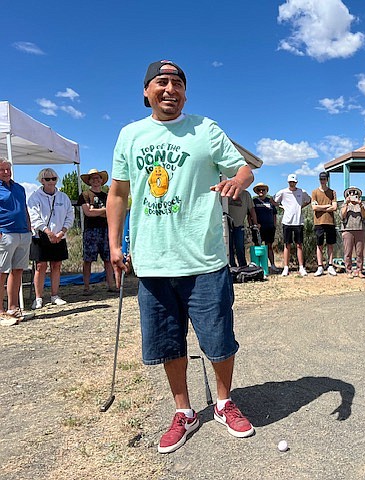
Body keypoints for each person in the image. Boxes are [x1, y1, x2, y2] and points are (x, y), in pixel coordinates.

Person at [107, 59, 255, 455]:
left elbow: (244, 170)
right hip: (153, 262)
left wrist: (237, 182)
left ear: (185, 92)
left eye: (177, 83)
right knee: (169, 343)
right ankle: (184, 411)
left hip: (205, 259)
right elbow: (118, 194)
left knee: (220, 341)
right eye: (161, 82)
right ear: (146, 92)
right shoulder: (130, 135)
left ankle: (223, 403)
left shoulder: (205, 128)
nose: (169, 89)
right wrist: (115, 244)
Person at [28, 168, 75, 309]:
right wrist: (48, 232)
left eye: (54, 178)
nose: (51, 181)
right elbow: (34, 216)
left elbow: (70, 215)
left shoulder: (63, 197)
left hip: (59, 236)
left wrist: (62, 232)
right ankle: (38, 298)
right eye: (47, 179)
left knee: (56, 265)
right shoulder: (35, 197)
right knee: (40, 266)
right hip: (40, 236)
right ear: (41, 180)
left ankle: (55, 295)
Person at [0, 157, 32, 323]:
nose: (6, 172)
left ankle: (13, 307)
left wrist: (29, 228)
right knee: (2, 272)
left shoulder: (19, 188)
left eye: (8, 169)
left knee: (18, 270)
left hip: (23, 233)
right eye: (2, 169)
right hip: (5, 232)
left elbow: (24, 208)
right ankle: (0, 310)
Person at [78, 168, 116, 294]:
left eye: (98, 178)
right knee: (88, 259)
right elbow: (88, 212)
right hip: (90, 230)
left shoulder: (108, 196)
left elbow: (111, 213)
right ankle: (86, 287)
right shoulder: (84, 195)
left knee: (108, 259)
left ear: (102, 180)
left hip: (106, 229)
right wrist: (105, 210)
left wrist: (97, 211)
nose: (96, 180)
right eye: (93, 178)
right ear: (89, 181)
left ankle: (111, 285)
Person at [273, 174, 311, 276]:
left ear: (296, 182)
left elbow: (309, 200)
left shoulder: (301, 192)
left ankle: (301, 267)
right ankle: (286, 267)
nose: (292, 184)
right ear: (288, 182)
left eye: (294, 182)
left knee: (299, 245)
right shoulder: (283, 192)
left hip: (298, 222)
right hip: (287, 222)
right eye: (290, 182)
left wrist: (300, 207)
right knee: (287, 245)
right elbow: (273, 200)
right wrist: (282, 207)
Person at [311, 172, 338, 276]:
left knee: (330, 244)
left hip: (330, 222)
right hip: (319, 222)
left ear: (327, 180)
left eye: (324, 179)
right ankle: (320, 266)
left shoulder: (332, 192)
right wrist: (327, 206)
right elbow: (314, 207)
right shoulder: (314, 192)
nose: (323, 181)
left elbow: (334, 207)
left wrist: (320, 207)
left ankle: (330, 265)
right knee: (319, 245)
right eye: (321, 179)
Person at [341, 186, 365, 279]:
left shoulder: (362, 205)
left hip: (360, 229)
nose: (353, 194)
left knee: (359, 252)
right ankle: (349, 270)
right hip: (347, 230)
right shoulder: (344, 205)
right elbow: (342, 216)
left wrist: (360, 205)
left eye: (355, 193)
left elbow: (364, 216)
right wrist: (347, 204)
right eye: (350, 193)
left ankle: (359, 270)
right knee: (348, 252)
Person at [251, 182, 278, 273]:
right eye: (259, 190)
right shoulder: (254, 201)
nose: (261, 191)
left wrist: (274, 225)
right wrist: (253, 225)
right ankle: (258, 266)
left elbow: (274, 214)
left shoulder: (270, 201)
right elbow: (250, 214)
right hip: (258, 228)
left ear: (266, 191)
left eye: (263, 190)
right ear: (256, 192)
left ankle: (272, 265)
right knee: (258, 246)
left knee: (269, 246)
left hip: (269, 227)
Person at [227, 189, 257, 267]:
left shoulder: (246, 194)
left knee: (239, 247)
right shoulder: (227, 192)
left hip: (239, 225)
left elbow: (251, 209)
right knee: (228, 247)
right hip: (226, 225)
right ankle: (232, 266)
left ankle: (243, 266)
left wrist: (255, 223)